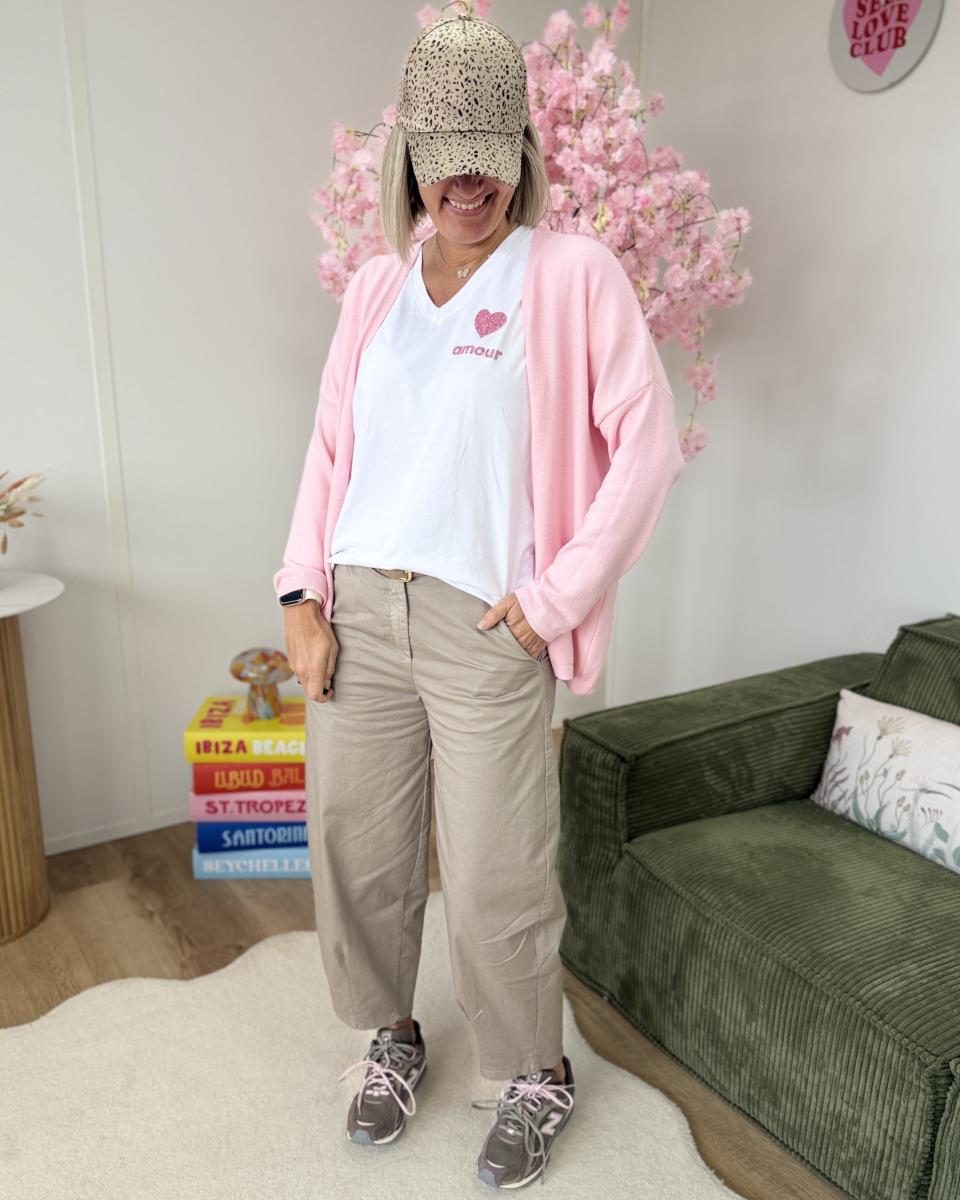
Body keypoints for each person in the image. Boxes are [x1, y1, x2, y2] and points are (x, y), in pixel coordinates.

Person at [274, 8, 685, 1190]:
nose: (467, 185)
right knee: (357, 849)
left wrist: (554, 598)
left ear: (522, 154)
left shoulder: (571, 276)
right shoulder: (374, 290)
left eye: (488, 160)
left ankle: (535, 1072)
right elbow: (329, 451)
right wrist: (302, 592)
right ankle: (392, 1035)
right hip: (361, 611)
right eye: (444, 161)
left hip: (485, 622)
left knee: (500, 872)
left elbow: (647, 446)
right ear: (409, 160)